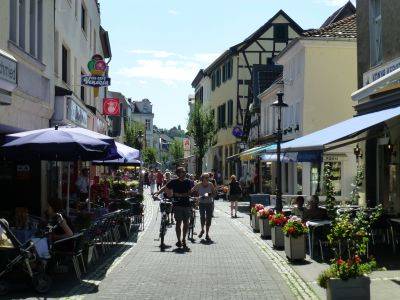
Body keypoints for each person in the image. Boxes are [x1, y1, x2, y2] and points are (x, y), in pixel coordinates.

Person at [156, 167, 192, 251]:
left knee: (186, 223)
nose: (184, 173)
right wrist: (157, 193)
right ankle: (179, 240)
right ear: (178, 173)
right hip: (177, 205)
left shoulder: (188, 182)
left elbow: (190, 192)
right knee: (178, 223)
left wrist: (181, 195)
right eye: (182, 172)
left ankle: (184, 239)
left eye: (184, 171)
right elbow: (165, 187)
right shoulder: (174, 181)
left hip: (186, 204)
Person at [192, 173, 216, 241]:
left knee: (208, 218)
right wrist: (195, 197)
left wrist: (207, 195)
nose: (207, 179)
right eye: (206, 177)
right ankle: (202, 229)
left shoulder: (210, 184)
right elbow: (192, 190)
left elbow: (214, 193)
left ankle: (207, 234)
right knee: (202, 217)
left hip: (209, 203)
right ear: (202, 178)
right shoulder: (199, 184)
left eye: (208, 177)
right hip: (201, 203)